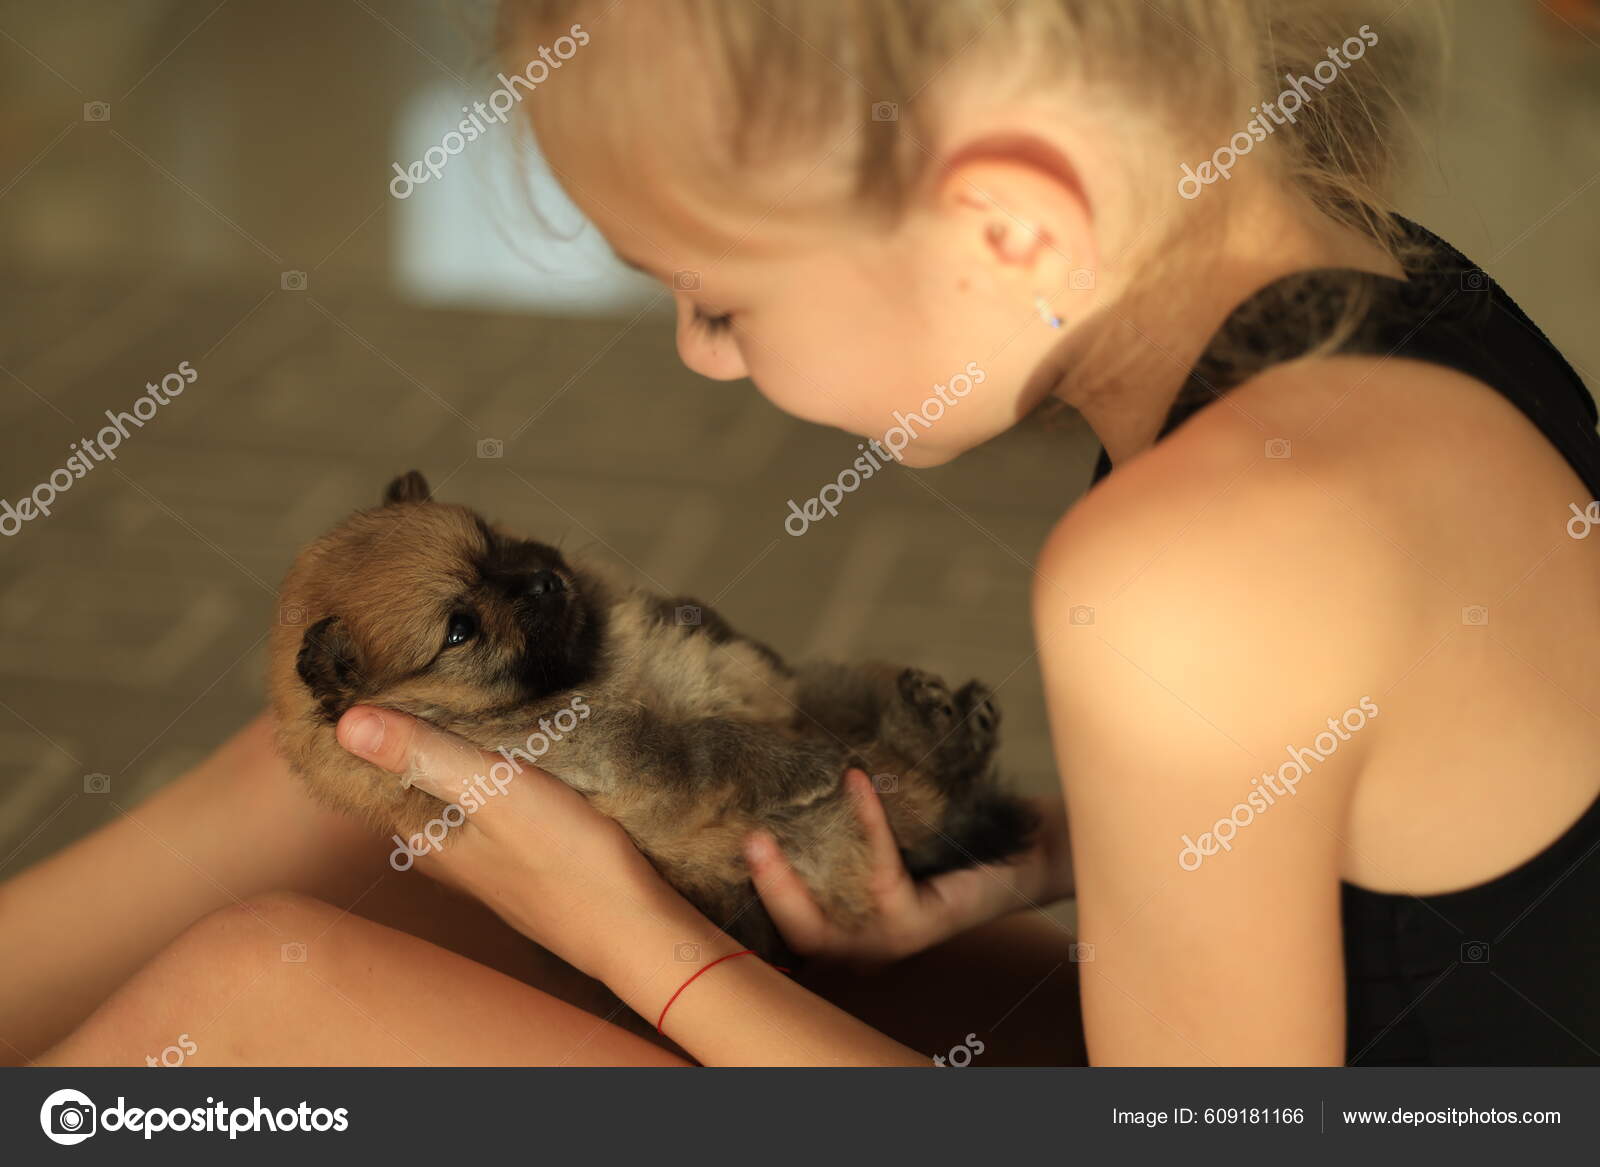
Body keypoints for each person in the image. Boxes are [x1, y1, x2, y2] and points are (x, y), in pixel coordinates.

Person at [12, 0, 1600, 1066]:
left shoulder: (1191, 565)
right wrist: (1037, 855)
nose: (703, 352)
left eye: (720, 295)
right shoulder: (1380, 297)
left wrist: (645, 947)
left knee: (257, 999)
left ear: (1005, 223)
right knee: (348, 789)